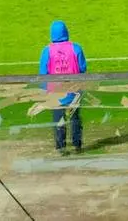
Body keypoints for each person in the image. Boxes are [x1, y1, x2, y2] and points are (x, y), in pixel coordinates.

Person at [39, 20, 87, 154]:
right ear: (66, 32)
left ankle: (60, 147)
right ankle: (77, 145)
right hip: (74, 90)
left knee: (58, 119)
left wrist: (44, 91)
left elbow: (43, 73)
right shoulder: (76, 48)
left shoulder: (47, 51)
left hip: (55, 93)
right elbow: (83, 68)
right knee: (75, 117)